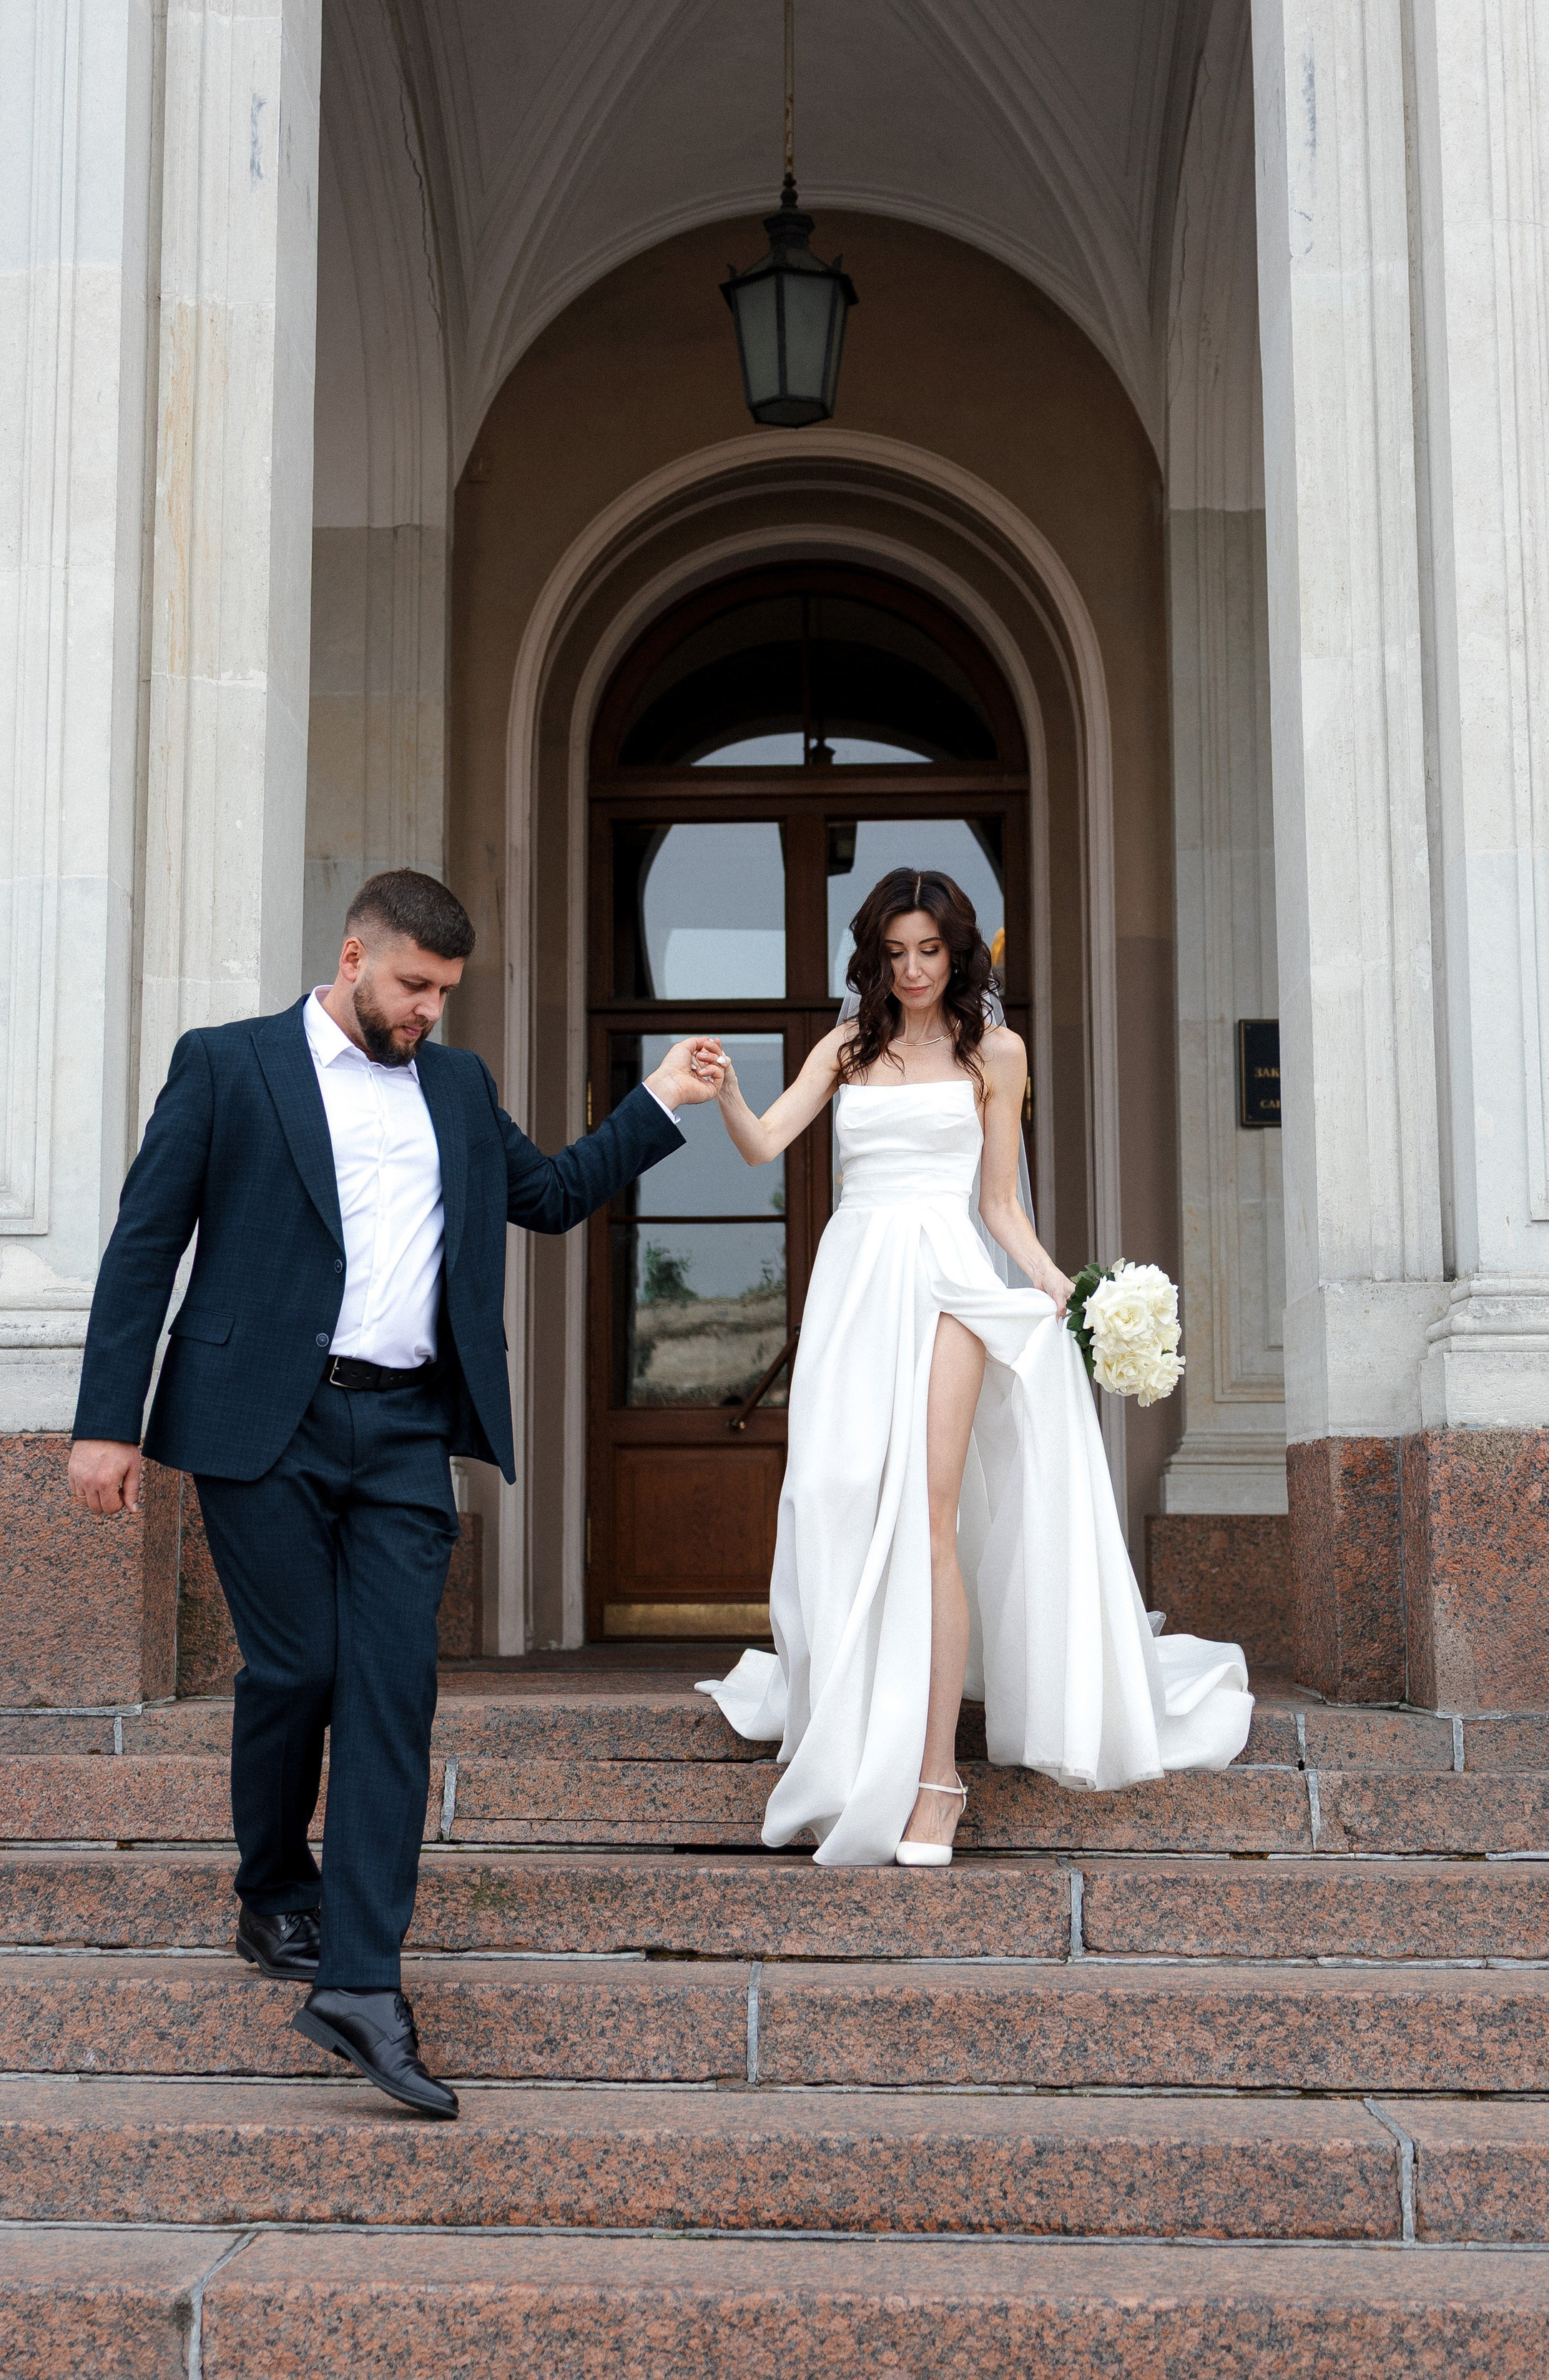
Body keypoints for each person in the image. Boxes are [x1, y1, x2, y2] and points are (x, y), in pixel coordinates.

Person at [68, 868, 722, 2117]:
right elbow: (144, 1243)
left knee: (392, 1694)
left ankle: (363, 1984)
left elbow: (550, 1196)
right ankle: (273, 1890)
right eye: (415, 985)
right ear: (354, 957)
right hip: (262, 1419)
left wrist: (660, 1101)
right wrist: (110, 1425)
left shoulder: (459, 1084)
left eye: (445, 992)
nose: (428, 1010)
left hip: (410, 1427)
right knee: (297, 1671)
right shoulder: (229, 1063)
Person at [701, 866, 1251, 1867]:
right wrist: (730, 1089)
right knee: (828, 1494)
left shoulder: (997, 1051)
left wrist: (1063, 1288)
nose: (913, 970)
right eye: (896, 953)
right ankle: (847, 1725)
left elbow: (1000, 1205)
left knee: (930, 1516)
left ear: (959, 955)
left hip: (953, 1284)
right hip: (855, 1283)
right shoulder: (845, 1047)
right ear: (875, 956)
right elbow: (763, 1145)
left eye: (931, 952)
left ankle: (933, 1777)